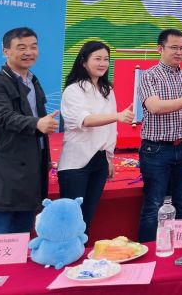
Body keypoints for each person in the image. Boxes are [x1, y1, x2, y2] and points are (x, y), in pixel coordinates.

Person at [58, 41, 135, 231]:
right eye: (97, 59)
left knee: (87, 217)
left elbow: (111, 129)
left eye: (106, 59)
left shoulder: (107, 90)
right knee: (71, 219)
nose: (102, 63)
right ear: (84, 61)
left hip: (100, 160)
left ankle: (82, 248)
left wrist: (109, 158)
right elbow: (85, 120)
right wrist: (118, 116)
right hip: (76, 163)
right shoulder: (73, 90)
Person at [0, 27, 58, 234]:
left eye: (33, 47)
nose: (29, 52)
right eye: (21, 47)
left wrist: (46, 159)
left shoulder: (33, 80)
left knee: (22, 233)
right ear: (6, 51)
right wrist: (37, 124)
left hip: (32, 167)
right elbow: (6, 117)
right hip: (6, 167)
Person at [136, 29, 182, 242]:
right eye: (174, 47)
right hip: (157, 150)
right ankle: (149, 251)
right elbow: (154, 107)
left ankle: (178, 247)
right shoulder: (149, 76)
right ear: (160, 49)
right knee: (154, 205)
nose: (179, 52)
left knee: (181, 202)